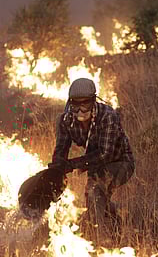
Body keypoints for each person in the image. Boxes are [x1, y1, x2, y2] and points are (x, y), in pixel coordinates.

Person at [48, 77, 135, 232]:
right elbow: (61, 149)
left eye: (85, 104)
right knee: (95, 199)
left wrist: (72, 164)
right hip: (94, 164)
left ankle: (99, 237)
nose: (81, 110)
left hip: (120, 162)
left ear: (94, 100)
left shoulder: (108, 116)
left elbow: (105, 154)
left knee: (95, 191)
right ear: (70, 103)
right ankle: (117, 227)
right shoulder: (65, 120)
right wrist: (56, 169)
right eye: (76, 104)